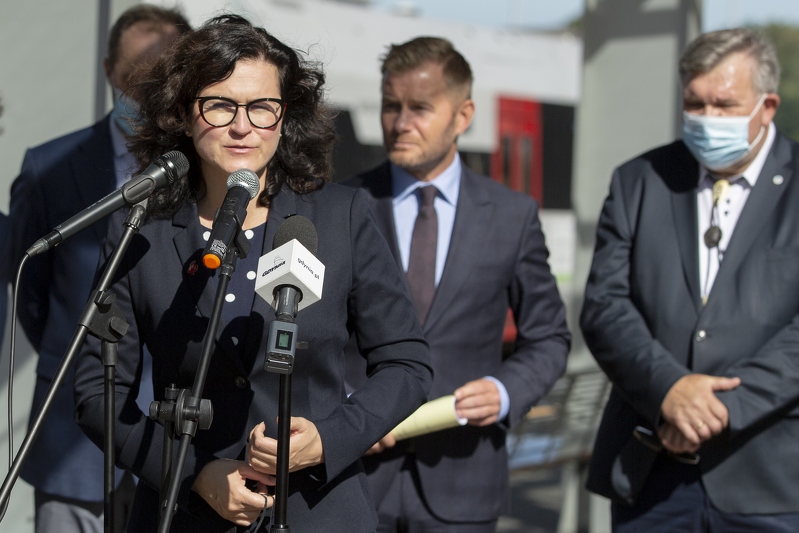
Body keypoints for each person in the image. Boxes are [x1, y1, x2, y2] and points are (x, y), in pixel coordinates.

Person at [73, 14, 433, 533]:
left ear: (284, 117)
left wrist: (328, 439)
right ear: (182, 113)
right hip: (184, 513)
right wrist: (194, 473)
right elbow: (96, 394)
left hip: (320, 512)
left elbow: (407, 363)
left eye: (262, 107)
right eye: (220, 105)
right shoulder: (140, 234)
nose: (243, 126)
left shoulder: (341, 218)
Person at [345, 37, 570, 532]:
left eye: (420, 108)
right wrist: (346, 411)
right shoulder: (342, 204)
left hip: (463, 483)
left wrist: (505, 390)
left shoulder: (511, 216)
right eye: (390, 106)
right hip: (351, 478)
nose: (400, 123)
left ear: (463, 116)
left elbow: (549, 337)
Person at [580, 28, 799, 532]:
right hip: (651, 474)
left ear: (767, 107)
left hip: (772, 483)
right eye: (694, 104)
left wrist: (721, 408)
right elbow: (604, 307)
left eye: (724, 105)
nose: (707, 120)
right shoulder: (638, 180)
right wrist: (669, 389)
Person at [8, 5, 190, 532]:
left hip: (175, 434)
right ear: (111, 71)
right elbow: (32, 294)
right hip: (72, 436)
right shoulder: (50, 167)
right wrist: (83, 356)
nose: (149, 90)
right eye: (138, 75)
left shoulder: (205, 171)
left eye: (164, 77)